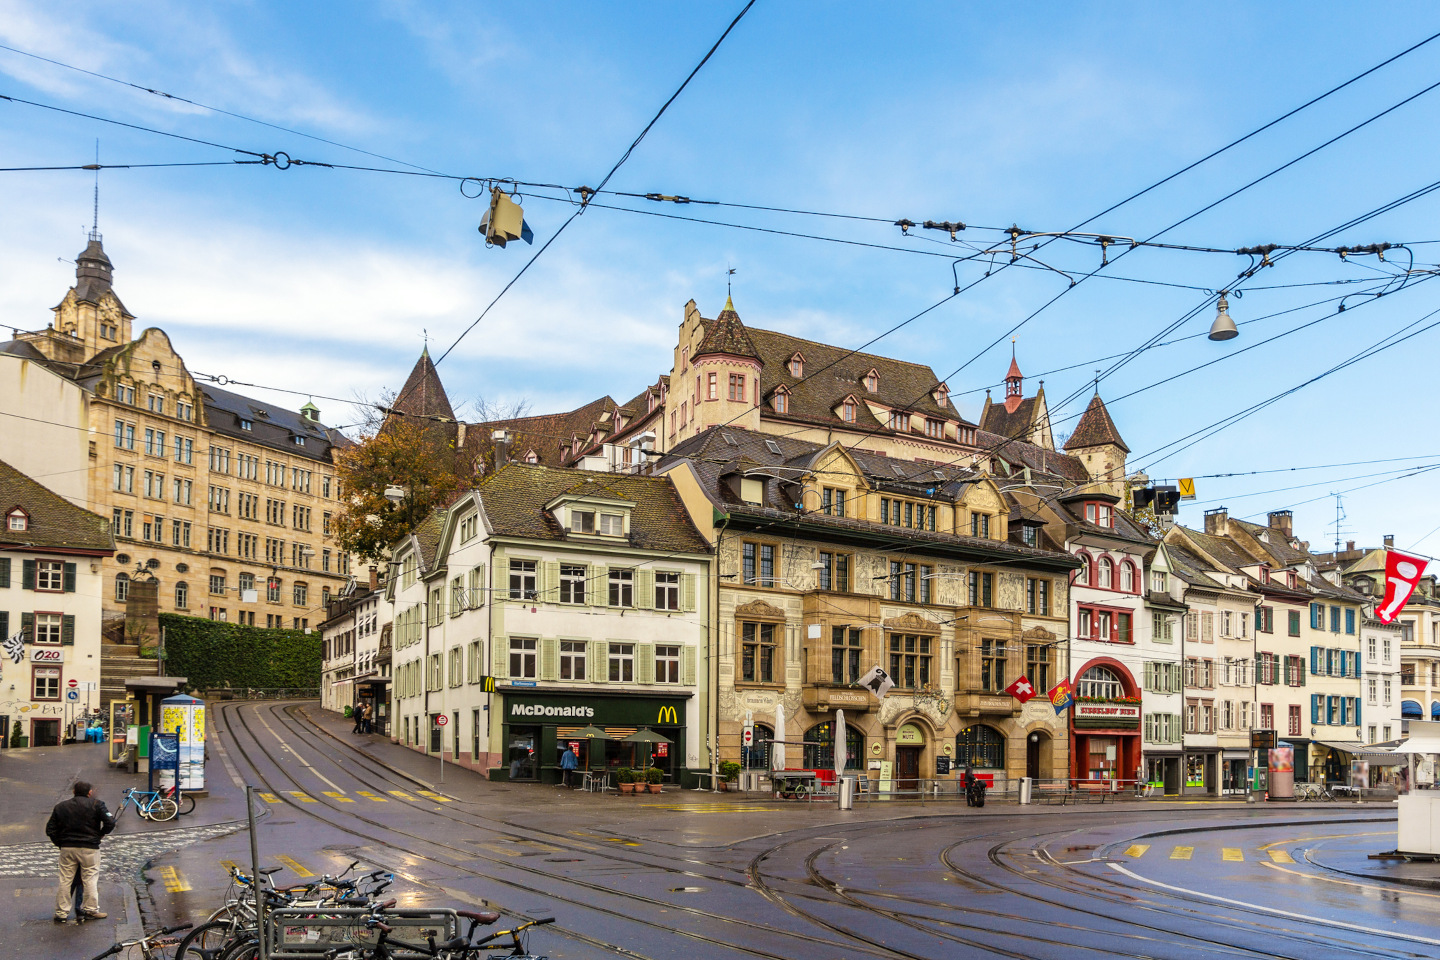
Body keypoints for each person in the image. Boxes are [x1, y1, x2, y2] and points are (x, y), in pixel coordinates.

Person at [46, 780, 115, 923]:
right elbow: (111, 822)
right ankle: (90, 909)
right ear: (89, 792)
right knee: (90, 879)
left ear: (73, 792)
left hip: (68, 847)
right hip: (89, 848)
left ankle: (61, 912)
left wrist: (60, 843)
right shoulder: (97, 804)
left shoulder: (61, 807)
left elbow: (50, 829)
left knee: (65, 880)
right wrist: (100, 834)